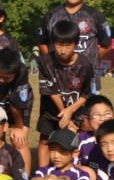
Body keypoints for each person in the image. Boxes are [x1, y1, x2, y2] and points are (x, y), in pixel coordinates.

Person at [37, 0, 111, 91]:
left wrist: (91, 59)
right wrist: (51, 60)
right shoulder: (51, 15)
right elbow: (41, 41)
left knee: (88, 109)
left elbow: (107, 45)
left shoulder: (95, 15)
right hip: (58, 75)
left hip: (87, 77)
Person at [35, 20, 94, 168]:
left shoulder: (85, 64)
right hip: (51, 111)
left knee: (76, 141)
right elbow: (51, 91)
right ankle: (43, 173)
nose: (63, 50)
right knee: (45, 140)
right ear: (52, 43)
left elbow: (87, 93)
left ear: (76, 44)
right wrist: (64, 114)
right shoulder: (45, 61)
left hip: (75, 111)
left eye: (68, 45)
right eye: (59, 44)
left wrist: (70, 112)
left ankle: (76, 173)